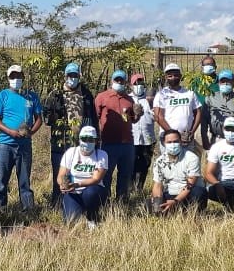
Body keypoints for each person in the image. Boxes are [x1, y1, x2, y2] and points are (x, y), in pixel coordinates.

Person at [43, 62, 98, 207]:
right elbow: (47, 119)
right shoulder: (55, 94)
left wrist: (96, 140)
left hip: (81, 144)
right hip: (60, 143)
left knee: (80, 175)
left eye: (75, 75)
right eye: (70, 75)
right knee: (59, 175)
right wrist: (54, 113)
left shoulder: (86, 94)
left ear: (79, 76)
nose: (72, 78)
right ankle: (57, 204)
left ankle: (78, 204)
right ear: (65, 76)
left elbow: (93, 118)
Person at [0, 64, 43, 212]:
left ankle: (28, 209)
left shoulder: (31, 96)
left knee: (25, 180)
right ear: (8, 78)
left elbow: (39, 118)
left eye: (18, 76)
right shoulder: (2, 95)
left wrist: (31, 132)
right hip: (5, 144)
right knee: (2, 181)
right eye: (12, 76)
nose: (16, 79)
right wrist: (10, 132)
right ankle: (0, 209)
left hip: (24, 145)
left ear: (23, 77)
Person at [94, 69, 141, 201]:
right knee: (106, 174)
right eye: (117, 80)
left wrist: (138, 114)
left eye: (122, 80)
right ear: (112, 81)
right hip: (108, 142)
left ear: (125, 82)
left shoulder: (129, 99)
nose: (119, 82)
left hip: (127, 143)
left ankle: (122, 201)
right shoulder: (102, 97)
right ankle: (105, 200)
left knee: (125, 174)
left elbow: (133, 119)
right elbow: (95, 116)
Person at [56, 126, 107, 228]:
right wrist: (62, 184)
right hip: (73, 192)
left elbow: (96, 179)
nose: (87, 142)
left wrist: (77, 184)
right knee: (70, 222)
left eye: (91, 139)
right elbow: (61, 175)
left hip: (93, 189)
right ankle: (79, 209)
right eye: (84, 139)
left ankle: (92, 216)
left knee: (90, 193)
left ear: (96, 141)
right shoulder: (71, 152)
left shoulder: (101, 155)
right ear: (79, 139)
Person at [150, 129, 207, 214]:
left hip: (188, 193)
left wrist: (175, 201)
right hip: (171, 192)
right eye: (169, 142)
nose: (173, 145)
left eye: (175, 141)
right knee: (149, 205)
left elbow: (190, 185)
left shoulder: (191, 158)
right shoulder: (160, 161)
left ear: (181, 142)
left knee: (198, 192)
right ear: (164, 143)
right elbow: (157, 185)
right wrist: (158, 202)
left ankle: (193, 214)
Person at [154, 62, 202, 145]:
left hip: (187, 138)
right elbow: (158, 117)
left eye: (176, 75)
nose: (173, 78)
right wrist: (174, 135)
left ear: (180, 76)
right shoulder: (161, 95)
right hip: (169, 139)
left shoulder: (190, 94)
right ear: (166, 77)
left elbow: (198, 113)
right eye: (170, 76)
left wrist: (192, 131)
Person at [202, 69, 234, 148]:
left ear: (233, 84)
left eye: (228, 82)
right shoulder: (210, 98)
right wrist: (205, 139)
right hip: (217, 139)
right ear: (218, 84)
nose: (225, 84)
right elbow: (204, 121)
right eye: (222, 82)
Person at [129, 73, 156, 193]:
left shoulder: (150, 99)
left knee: (145, 164)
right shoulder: (127, 99)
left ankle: (139, 188)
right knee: (131, 164)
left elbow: (156, 116)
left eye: (140, 82)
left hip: (148, 138)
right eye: (136, 83)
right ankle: (130, 188)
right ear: (131, 85)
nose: (138, 85)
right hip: (132, 138)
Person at [192, 55, 220, 149]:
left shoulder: (220, 81)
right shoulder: (196, 81)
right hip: (199, 118)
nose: (208, 66)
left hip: (216, 118)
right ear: (202, 67)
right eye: (206, 64)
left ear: (215, 67)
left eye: (211, 64)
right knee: (199, 146)